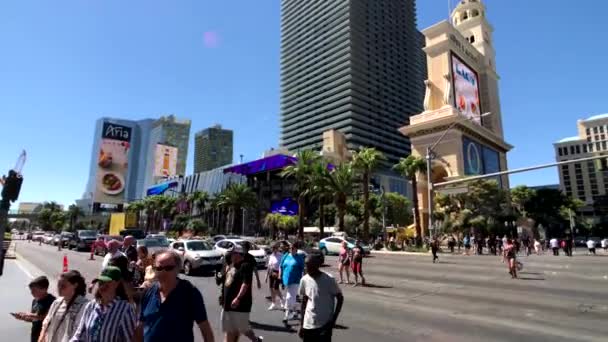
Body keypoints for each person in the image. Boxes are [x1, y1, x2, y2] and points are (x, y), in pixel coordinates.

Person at [135, 251, 215, 342]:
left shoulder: (189, 293)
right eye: (159, 268)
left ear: (178, 269)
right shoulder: (148, 292)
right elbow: (140, 326)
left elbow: (205, 329)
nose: (163, 272)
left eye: (168, 268)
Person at [70, 266, 136, 342]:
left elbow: (130, 339)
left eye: (107, 283)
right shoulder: (91, 306)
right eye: (101, 282)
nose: (103, 286)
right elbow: (79, 335)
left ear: (117, 284)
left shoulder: (125, 310)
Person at [220, 246, 262, 342]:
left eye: (232, 254)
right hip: (228, 304)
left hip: (239, 305)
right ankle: (256, 340)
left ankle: (255, 339)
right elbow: (227, 282)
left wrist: (238, 298)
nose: (230, 256)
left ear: (238, 254)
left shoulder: (245, 266)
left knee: (235, 329)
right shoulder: (231, 265)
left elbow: (245, 283)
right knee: (241, 328)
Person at [298, 254, 344, 342]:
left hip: (325, 325)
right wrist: (302, 325)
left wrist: (333, 320)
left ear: (317, 266)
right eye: (306, 265)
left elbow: (340, 298)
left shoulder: (329, 279)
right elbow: (304, 302)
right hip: (308, 323)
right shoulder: (304, 280)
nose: (306, 268)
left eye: (309, 266)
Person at [39, 271, 88, 342]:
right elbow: (46, 322)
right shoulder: (57, 302)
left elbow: (81, 333)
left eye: (63, 286)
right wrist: (41, 337)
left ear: (75, 285)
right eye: (58, 285)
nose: (59, 288)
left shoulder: (84, 305)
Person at [11, 276, 56, 342]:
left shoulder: (52, 301)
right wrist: (23, 318)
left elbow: (47, 317)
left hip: (46, 336)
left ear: (44, 289)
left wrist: (28, 314)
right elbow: (33, 319)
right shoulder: (34, 301)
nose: (31, 292)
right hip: (35, 336)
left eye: (34, 290)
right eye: (31, 290)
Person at [279, 242, 305, 322]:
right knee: (291, 297)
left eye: (293, 248)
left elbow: (303, 270)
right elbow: (281, 266)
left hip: (295, 280)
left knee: (289, 297)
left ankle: (287, 315)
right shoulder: (286, 256)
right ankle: (295, 310)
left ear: (296, 249)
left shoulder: (299, 258)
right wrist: (279, 276)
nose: (291, 249)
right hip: (285, 280)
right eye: (290, 248)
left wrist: (303, 279)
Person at [265, 244, 284, 311]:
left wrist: (280, 275)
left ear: (277, 248)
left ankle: (282, 299)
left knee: (275, 288)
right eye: (272, 248)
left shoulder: (281, 256)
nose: (273, 249)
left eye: (275, 248)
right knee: (271, 288)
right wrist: (266, 276)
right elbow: (269, 266)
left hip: (278, 272)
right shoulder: (271, 256)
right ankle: (273, 303)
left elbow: (282, 266)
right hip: (271, 272)